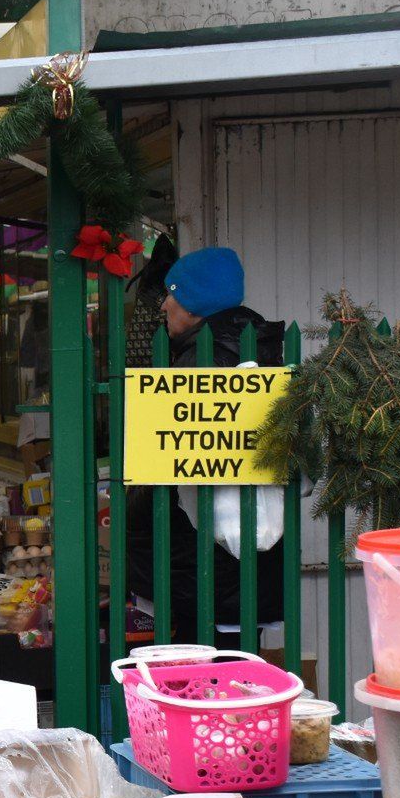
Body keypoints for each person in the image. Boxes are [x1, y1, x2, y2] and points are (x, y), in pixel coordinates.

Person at [127, 245, 287, 632]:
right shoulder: (258, 351)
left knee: (207, 677)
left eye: (173, 295)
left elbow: (172, 459)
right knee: (236, 673)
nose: (164, 305)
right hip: (229, 569)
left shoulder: (204, 360)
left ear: (195, 306)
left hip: (203, 568)